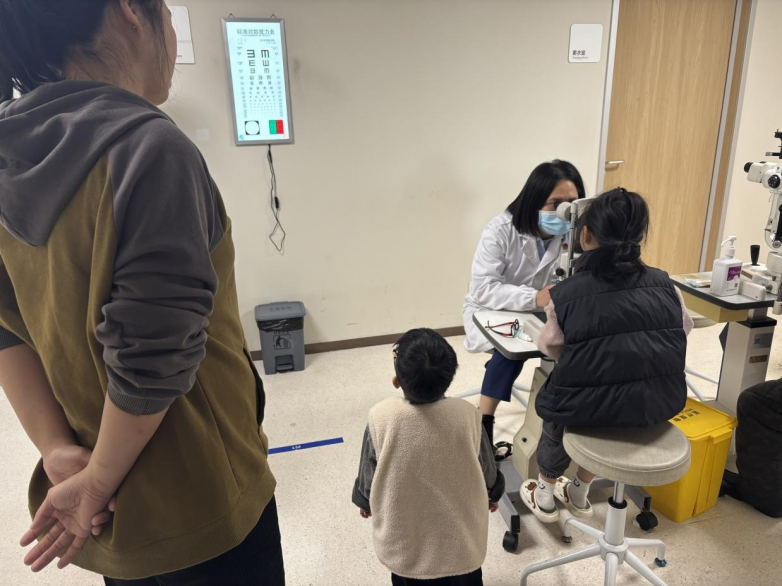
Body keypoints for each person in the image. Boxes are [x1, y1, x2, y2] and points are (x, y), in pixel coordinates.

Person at [0, 1, 284, 584]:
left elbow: (8, 330)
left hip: (106, 509)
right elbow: (153, 359)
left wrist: (58, 451)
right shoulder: (148, 149)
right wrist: (97, 480)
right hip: (201, 498)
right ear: (130, 11)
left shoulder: (9, 158)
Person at [519, 188, 694, 523]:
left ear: (585, 234)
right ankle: (579, 491)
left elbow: (551, 347)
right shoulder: (666, 285)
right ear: (639, 237)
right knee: (610, 412)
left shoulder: (566, 294)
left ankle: (544, 494)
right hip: (655, 403)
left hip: (588, 410)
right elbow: (683, 329)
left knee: (558, 406)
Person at [352, 329, 505, 586]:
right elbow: (486, 467)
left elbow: (369, 471)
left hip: (406, 548)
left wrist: (365, 500)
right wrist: (491, 493)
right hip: (461, 547)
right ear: (449, 378)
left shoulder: (381, 417)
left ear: (397, 381)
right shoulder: (468, 415)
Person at [462, 160, 586, 447]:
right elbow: (483, 289)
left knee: (581, 344)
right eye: (556, 203)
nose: (564, 211)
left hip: (546, 309)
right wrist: (533, 297)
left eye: (572, 203)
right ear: (534, 199)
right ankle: (484, 422)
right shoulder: (500, 230)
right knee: (511, 351)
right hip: (494, 309)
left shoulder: (574, 231)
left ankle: (566, 419)